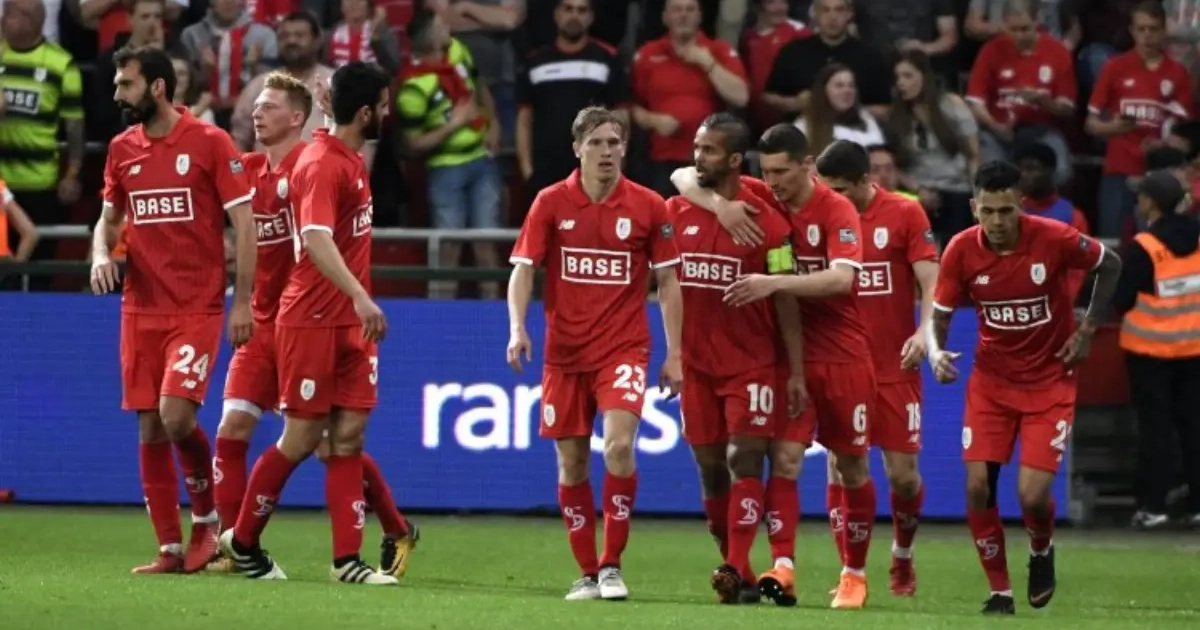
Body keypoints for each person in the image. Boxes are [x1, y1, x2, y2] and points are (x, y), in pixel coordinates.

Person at [210, 71, 418, 578]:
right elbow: (317, 236)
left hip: (344, 320)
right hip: (308, 318)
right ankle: (240, 540)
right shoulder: (320, 163)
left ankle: (347, 560)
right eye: (382, 105)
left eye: (270, 106)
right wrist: (361, 296)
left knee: (346, 438)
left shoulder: (339, 158)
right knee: (303, 438)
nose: (387, 113)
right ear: (366, 113)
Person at [673, 124, 877, 609]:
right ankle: (781, 568)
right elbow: (684, 175)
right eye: (766, 172)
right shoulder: (765, 196)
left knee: (851, 465)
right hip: (786, 352)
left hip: (841, 353)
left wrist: (772, 283)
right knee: (783, 460)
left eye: (782, 172)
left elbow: (842, 280)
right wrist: (720, 205)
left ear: (808, 167)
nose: (773, 181)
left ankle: (854, 573)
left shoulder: (836, 209)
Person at [925, 160, 1123, 615]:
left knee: (1032, 496)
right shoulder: (960, 249)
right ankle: (1000, 592)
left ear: (1022, 205)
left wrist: (1088, 328)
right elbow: (939, 315)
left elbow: (1110, 264)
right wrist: (936, 353)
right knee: (978, 487)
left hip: (1050, 381)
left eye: (1006, 211)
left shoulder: (1053, 238)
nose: (996, 221)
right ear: (974, 208)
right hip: (991, 384)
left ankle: (1040, 548)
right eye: (988, 211)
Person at [89, 46, 257, 575]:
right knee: (149, 427)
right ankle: (169, 548)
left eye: (127, 84)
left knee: (176, 416)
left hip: (196, 306)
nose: (117, 93)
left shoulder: (209, 141)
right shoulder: (122, 148)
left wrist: (242, 300)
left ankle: (206, 521)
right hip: (140, 308)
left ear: (157, 87)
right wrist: (100, 254)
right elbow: (107, 220)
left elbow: (245, 224)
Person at [506, 106, 685, 601]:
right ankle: (586, 572)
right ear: (577, 149)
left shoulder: (649, 205)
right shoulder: (550, 202)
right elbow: (523, 269)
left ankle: (611, 566)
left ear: (624, 148)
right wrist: (517, 328)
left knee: (619, 447)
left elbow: (669, 282)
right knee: (572, 464)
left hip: (623, 348)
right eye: (596, 143)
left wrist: (675, 353)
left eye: (614, 142)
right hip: (564, 354)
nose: (606, 152)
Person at [665, 113, 807, 605]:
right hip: (698, 366)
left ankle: (731, 565)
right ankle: (740, 572)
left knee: (743, 460)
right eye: (696, 148)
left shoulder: (769, 224)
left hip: (752, 363)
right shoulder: (676, 211)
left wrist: (796, 370)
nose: (697, 157)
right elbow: (662, 283)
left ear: (733, 159)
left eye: (707, 150)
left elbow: (785, 297)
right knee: (710, 469)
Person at [815, 140, 940, 597]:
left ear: (866, 181)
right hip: (842, 363)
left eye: (841, 190)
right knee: (840, 467)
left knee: (903, 476)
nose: (833, 198)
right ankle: (850, 572)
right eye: (827, 189)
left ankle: (902, 555)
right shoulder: (821, 215)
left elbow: (932, 279)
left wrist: (924, 331)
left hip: (894, 365)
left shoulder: (905, 213)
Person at [1114, 170, 1200, 529]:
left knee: (1156, 430)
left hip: (1149, 353)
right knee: (1194, 428)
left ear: (1150, 202)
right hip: (1194, 349)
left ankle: (1153, 506)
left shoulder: (1144, 246)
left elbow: (1121, 299)